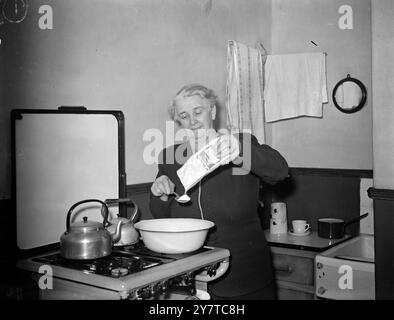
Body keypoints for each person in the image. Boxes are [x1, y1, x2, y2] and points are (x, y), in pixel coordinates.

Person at [149, 84, 289, 300]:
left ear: (212, 111)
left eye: (198, 112)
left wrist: (238, 150)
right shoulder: (170, 157)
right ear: (178, 122)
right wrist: (160, 193)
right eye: (184, 116)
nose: (192, 121)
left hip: (244, 274)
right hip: (190, 276)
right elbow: (161, 217)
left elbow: (279, 171)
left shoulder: (240, 144)